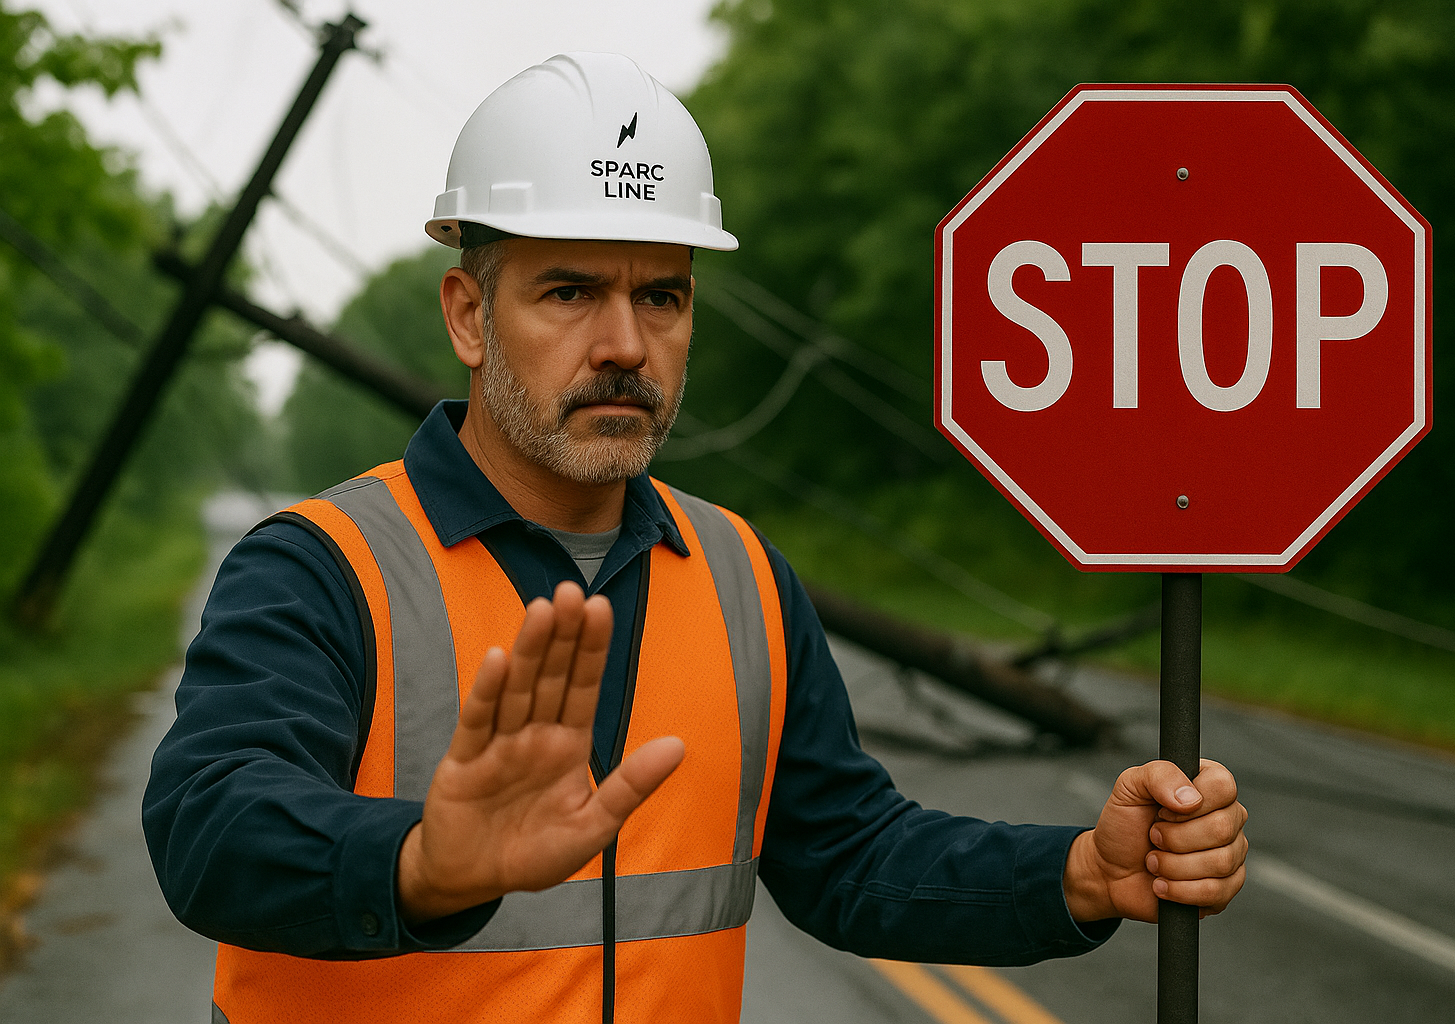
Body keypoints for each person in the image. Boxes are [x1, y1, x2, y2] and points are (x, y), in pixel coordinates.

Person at [144, 52, 1247, 1024]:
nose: (624, 343)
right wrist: (420, 864)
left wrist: (1081, 873)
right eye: (570, 291)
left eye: (661, 297)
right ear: (470, 317)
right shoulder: (326, 562)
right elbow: (210, 824)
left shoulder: (737, 573)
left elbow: (848, 854)